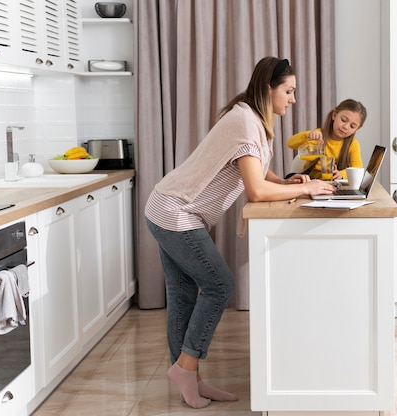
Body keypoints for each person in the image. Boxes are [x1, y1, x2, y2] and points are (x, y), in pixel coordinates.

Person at [144, 57, 335, 409]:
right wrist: (308, 190)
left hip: (168, 207)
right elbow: (256, 191)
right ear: (269, 88)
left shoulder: (250, 117)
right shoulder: (245, 122)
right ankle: (186, 369)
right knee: (220, 286)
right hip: (175, 212)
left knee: (184, 295)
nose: (293, 99)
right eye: (289, 91)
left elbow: (255, 171)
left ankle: (191, 378)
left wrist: (285, 181)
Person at [287, 99, 367, 180]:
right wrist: (308, 135)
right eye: (343, 120)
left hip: (332, 184)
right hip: (310, 180)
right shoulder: (319, 135)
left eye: (352, 126)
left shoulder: (353, 144)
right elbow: (290, 143)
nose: (345, 127)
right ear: (334, 115)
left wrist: (342, 174)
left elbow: (358, 168)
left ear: (356, 129)